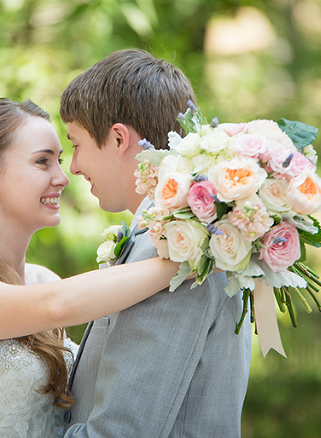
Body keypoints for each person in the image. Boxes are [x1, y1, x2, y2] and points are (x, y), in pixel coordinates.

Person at [0, 98, 186, 438]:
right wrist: (185, 255)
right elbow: (58, 306)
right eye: (42, 161)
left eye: (59, 160)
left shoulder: (41, 279)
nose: (63, 177)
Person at [61, 49, 252, 438]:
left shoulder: (174, 251)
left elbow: (119, 432)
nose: (73, 167)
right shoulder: (177, 238)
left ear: (118, 139)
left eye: (76, 145)